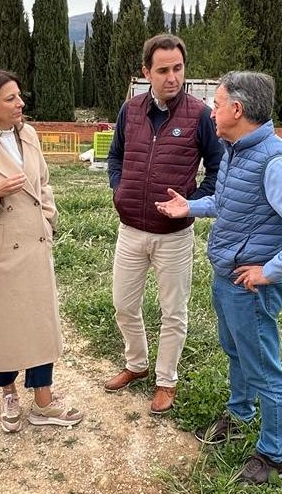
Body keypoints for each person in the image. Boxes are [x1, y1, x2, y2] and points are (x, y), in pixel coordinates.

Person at [156, 71, 282, 485]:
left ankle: (273, 452)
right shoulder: (234, 150)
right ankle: (240, 414)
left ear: (237, 110)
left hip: (250, 286)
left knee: (264, 368)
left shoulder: (275, 161)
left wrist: (271, 271)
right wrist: (188, 207)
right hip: (228, 277)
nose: (212, 110)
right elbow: (226, 202)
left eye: (217, 103)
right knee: (236, 350)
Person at [0, 68, 83, 433]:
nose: (21, 103)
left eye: (19, 95)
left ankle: (44, 400)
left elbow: (44, 184)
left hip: (34, 245)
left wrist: (48, 220)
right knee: (3, 326)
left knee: (40, 323)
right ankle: (7, 393)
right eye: (10, 98)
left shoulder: (29, 134)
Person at [104, 34, 223, 414]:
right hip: (131, 230)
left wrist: (192, 204)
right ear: (146, 72)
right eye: (163, 70)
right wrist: (118, 190)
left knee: (173, 312)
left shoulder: (200, 115)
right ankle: (136, 365)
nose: (172, 77)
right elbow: (116, 157)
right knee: (124, 304)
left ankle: (166, 381)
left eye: (178, 68)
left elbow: (219, 170)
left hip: (174, 236)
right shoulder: (131, 109)